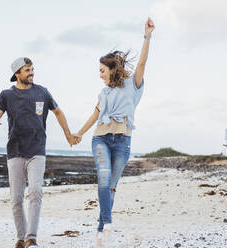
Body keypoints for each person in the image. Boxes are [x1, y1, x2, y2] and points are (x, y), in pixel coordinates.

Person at [73, 18, 155, 247]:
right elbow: (94, 116)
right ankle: (107, 222)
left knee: (111, 187)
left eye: (101, 70)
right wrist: (78, 133)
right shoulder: (104, 92)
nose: (99, 74)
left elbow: (141, 64)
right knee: (103, 177)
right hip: (100, 138)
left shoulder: (133, 84)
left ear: (111, 69)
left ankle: (101, 229)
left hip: (122, 141)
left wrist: (147, 36)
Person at [0, 57, 76, 248]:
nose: (31, 73)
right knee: (16, 198)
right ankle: (21, 238)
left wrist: (68, 135)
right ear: (17, 74)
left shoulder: (43, 93)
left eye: (32, 69)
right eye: (27, 70)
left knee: (36, 191)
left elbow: (58, 112)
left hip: (37, 150)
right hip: (15, 151)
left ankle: (32, 238)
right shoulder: (6, 95)